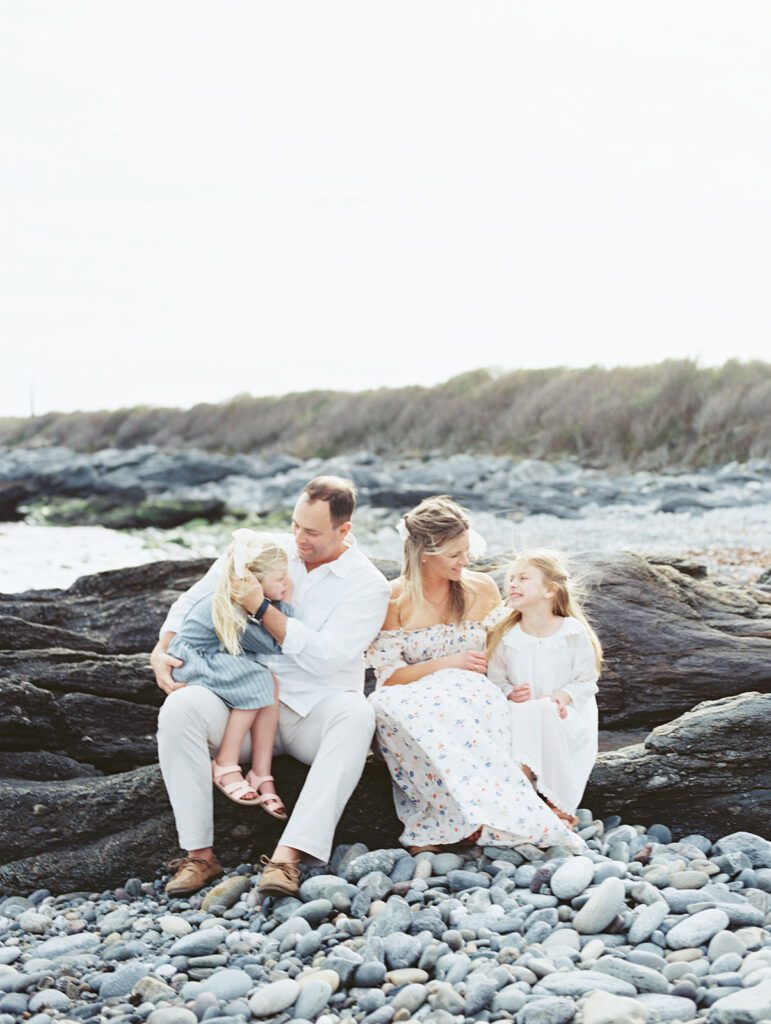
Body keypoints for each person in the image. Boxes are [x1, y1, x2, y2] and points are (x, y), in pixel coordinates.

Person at [151, 476, 390, 898]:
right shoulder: (264, 552)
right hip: (240, 700)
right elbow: (194, 599)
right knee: (179, 709)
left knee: (357, 716)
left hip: (310, 710)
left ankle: (287, 858)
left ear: (344, 530)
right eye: (296, 524)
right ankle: (200, 856)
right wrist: (162, 647)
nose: (299, 537)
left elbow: (330, 654)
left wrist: (260, 609)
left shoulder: (367, 584)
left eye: (312, 532)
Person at [367, 496, 586, 854]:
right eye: (455, 554)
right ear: (426, 553)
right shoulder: (394, 599)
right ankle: (449, 817)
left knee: (461, 698)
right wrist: (443, 664)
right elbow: (389, 676)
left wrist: (518, 687)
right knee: (399, 710)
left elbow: (502, 649)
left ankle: (499, 810)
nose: (466, 560)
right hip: (411, 693)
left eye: (466, 550)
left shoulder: (480, 588)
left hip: (471, 690)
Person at [167, 529, 293, 814]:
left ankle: (261, 773)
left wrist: (273, 603)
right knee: (257, 680)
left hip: (210, 656)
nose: (288, 582)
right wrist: (277, 607)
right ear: (253, 582)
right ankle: (225, 761)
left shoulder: (240, 600)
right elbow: (277, 644)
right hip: (193, 660)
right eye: (280, 578)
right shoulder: (228, 606)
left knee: (268, 681)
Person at [486, 549, 602, 827]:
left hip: (565, 717)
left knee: (545, 712)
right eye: (511, 578)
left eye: (523, 578)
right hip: (519, 716)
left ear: (550, 590)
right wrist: (509, 692)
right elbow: (494, 679)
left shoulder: (572, 632)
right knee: (529, 713)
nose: (512, 583)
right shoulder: (506, 635)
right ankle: (522, 798)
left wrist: (563, 697)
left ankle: (558, 801)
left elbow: (587, 680)